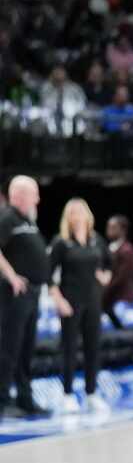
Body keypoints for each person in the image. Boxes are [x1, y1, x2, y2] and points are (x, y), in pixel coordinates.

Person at [49, 198, 111, 413]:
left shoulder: (96, 241)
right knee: (69, 348)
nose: (77, 216)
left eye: (80, 212)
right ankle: (67, 394)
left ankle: (91, 393)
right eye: (72, 213)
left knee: (93, 347)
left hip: (93, 301)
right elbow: (49, 276)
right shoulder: (61, 243)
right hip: (70, 302)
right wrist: (58, 300)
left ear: (87, 215)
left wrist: (104, 277)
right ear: (67, 217)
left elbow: (109, 264)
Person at [0, 176, 50, 418]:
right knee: (9, 348)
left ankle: (25, 397)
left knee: (26, 348)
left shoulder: (27, 220)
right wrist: (12, 276)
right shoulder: (7, 216)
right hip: (14, 295)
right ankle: (2, 400)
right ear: (18, 195)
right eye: (34, 194)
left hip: (32, 294)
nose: (38, 199)